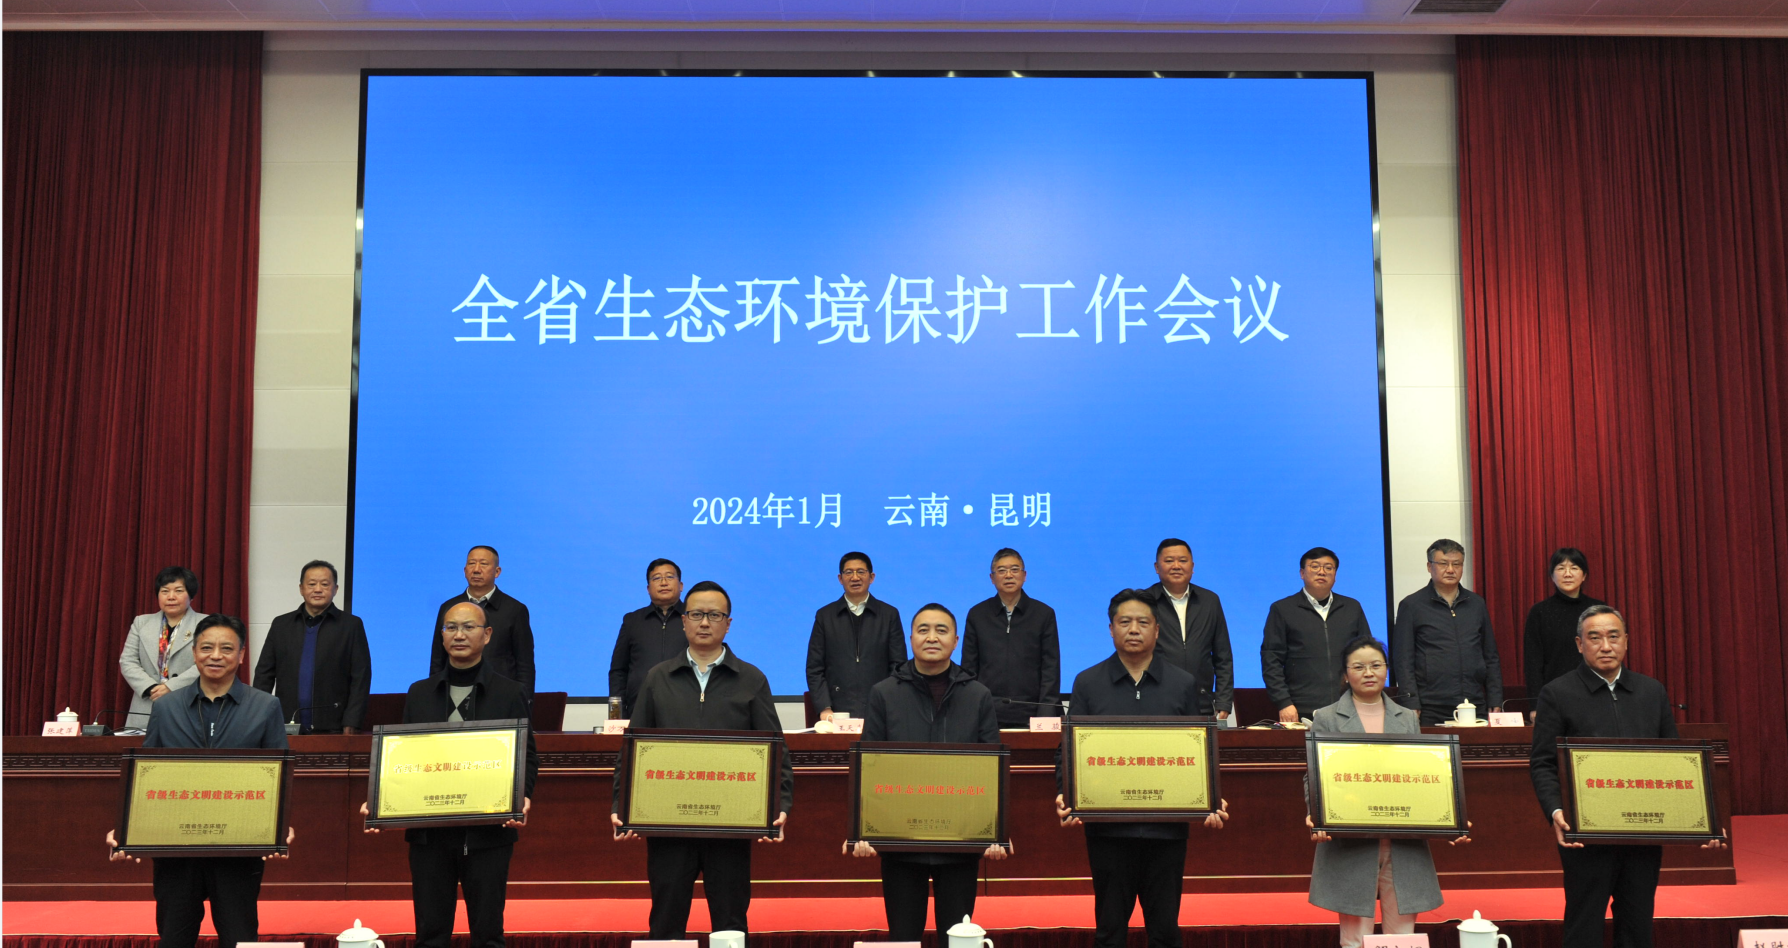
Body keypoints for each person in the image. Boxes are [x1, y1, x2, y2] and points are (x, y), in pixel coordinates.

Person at [1530, 605, 1726, 948]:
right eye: (1594, 638)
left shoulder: (1652, 691)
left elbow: (1676, 764)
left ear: (1626, 641)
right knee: (1583, 922)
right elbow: (1543, 763)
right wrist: (1555, 811)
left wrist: (1703, 820)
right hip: (1586, 834)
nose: (1605, 646)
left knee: (1637, 923)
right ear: (1579, 644)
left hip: (1643, 832)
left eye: (1613, 636)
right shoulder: (1558, 693)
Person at [611, 581, 792, 939]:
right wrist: (621, 803)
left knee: (730, 924)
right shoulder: (658, 677)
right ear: (683, 621)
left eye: (714, 615)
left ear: (728, 623)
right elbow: (633, 747)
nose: (705, 622)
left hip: (730, 827)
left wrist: (780, 805)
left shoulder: (751, 679)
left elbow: (775, 749)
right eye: (696, 614)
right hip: (669, 825)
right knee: (665, 922)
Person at [105, 614, 293, 948]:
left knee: (239, 937)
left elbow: (277, 773)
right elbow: (147, 775)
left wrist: (279, 825)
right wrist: (125, 828)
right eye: (206, 648)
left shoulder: (265, 706)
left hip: (238, 849)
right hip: (176, 850)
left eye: (226, 648)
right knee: (174, 938)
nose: (215, 655)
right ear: (194, 653)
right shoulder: (166, 707)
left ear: (241, 655)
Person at [1056, 589, 1230, 948]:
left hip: (1166, 830)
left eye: (1142, 622)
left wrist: (1211, 797)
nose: (1133, 629)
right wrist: (1065, 793)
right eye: (1124, 622)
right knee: (1109, 931)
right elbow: (1069, 749)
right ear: (1111, 629)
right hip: (1108, 830)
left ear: (1157, 630)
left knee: (1164, 930)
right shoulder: (1088, 682)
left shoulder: (1182, 683)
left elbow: (1198, 748)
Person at [364, 601, 538, 948]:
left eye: (468, 627)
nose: (459, 635)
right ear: (441, 636)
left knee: (488, 935)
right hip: (430, 837)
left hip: (489, 835)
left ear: (487, 635)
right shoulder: (419, 693)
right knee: (431, 936)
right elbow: (405, 757)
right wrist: (381, 800)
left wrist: (524, 795)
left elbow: (527, 755)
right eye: (450, 627)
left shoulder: (510, 692)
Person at [849, 603, 1010, 946]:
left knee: (959, 937)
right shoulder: (884, 693)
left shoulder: (977, 695)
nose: (932, 637)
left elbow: (991, 769)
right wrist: (863, 829)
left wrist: (995, 831)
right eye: (923, 630)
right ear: (911, 639)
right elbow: (870, 765)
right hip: (901, 845)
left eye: (941, 630)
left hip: (960, 845)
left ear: (955, 640)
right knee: (903, 938)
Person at [1305, 637, 1470, 947]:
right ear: (1345, 674)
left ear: (1386, 669)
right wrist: (1315, 813)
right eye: (1358, 667)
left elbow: (1424, 775)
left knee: (1402, 938)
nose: (1368, 673)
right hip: (1351, 841)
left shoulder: (1406, 718)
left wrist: (1450, 819)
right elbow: (1313, 775)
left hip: (1402, 841)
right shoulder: (1326, 717)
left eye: (1376, 665)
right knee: (1355, 939)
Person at [1390, 540, 1503, 726]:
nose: (1450, 570)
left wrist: (1495, 698)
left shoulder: (1476, 604)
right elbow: (1403, 659)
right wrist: (1410, 701)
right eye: (1443, 563)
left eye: (1456, 564)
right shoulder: (1412, 605)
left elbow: (1490, 656)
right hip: (1430, 705)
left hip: (1473, 703)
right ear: (1429, 567)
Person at [253, 560, 372, 734]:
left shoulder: (351, 625)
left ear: (335, 589)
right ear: (301, 588)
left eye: (324, 584)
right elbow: (264, 675)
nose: (317, 589)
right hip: (286, 724)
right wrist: (258, 717)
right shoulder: (281, 624)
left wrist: (352, 721)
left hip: (334, 725)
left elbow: (361, 678)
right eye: (311, 584)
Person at [1262, 548, 1376, 723]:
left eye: (1328, 567)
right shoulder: (1283, 609)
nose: (1322, 572)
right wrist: (1284, 702)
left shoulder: (1352, 607)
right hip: (1301, 706)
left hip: (1349, 705)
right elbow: (1271, 660)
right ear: (1302, 573)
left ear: (1335, 575)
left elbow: (1367, 654)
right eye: (1315, 566)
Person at [962, 548, 1061, 727]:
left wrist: (1045, 714)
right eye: (1001, 570)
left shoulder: (1043, 614)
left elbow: (1050, 669)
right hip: (987, 711)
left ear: (1024, 575)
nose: (1009, 575)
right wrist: (971, 710)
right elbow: (969, 668)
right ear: (992, 578)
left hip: (1031, 710)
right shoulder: (977, 614)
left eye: (1015, 569)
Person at [806, 551, 905, 720]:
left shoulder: (889, 614)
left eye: (861, 572)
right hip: (836, 711)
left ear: (871, 577)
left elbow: (898, 666)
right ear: (840, 578)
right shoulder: (825, 616)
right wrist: (824, 707)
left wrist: (890, 703)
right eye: (848, 572)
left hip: (880, 706)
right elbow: (814, 668)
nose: (855, 577)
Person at [1145, 539, 1234, 719]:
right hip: (1156, 702)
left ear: (1192, 567)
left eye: (1183, 561)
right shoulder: (1144, 601)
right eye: (1169, 561)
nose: (1176, 566)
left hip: (1201, 702)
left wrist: (1223, 701)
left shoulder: (1210, 601)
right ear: (1156, 567)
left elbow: (1223, 656)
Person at [430, 545, 536, 695]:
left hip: (500, 694)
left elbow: (524, 663)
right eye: (471, 563)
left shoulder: (515, 610)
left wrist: (525, 700)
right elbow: (438, 659)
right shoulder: (449, 608)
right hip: (456, 690)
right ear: (465, 570)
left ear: (497, 571)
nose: (476, 569)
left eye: (484, 564)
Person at [119, 566, 209, 730]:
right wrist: (151, 688)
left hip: (189, 704)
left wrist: (171, 687)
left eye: (179, 591)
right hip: (147, 704)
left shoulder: (206, 624)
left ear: (191, 595)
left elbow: (207, 662)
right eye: (165, 591)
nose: (171, 597)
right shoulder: (141, 622)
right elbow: (127, 661)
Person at [1522, 547, 1606, 698]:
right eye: (1561, 568)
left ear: (1584, 575)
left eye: (1574, 568)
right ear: (1552, 576)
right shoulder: (1539, 612)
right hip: (1555, 694)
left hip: (1597, 692)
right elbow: (1532, 663)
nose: (1567, 574)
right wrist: (1536, 703)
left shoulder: (1598, 610)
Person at [608, 557, 686, 718]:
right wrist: (618, 714)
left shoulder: (694, 618)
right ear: (648, 588)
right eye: (656, 578)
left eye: (669, 577)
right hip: (639, 709)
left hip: (685, 709)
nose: (663, 583)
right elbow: (618, 671)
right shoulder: (632, 621)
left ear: (681, 585)